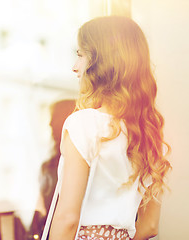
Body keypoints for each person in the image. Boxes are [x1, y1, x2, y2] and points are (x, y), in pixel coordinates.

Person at [45, 16, 172, 240]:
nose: (75, 68)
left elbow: (68, 219)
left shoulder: (83, 123)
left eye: (80, 56)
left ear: (101, 62)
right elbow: (150, 225)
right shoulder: (149, 134)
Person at [28, 99, 75, 239]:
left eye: (55, 118)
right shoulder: (47, 166)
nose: (50, 124)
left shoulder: (70, 166)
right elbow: (41, 208)